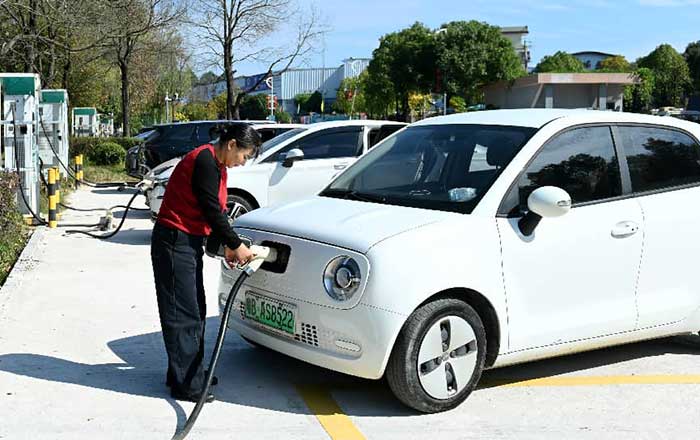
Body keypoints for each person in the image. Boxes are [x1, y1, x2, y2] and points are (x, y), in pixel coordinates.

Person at [150, 123, 262, 402]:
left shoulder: (216, 166)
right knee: (183, 313)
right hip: (173, 241)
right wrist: (236, 246)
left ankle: (187, 373)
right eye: (244, 156)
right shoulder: (205, 161)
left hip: (185, 242)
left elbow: (210, 212)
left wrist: (223, 246)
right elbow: (212, 210)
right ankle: (186, 385)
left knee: (194, 308)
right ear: (232, 144)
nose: (242, 163)